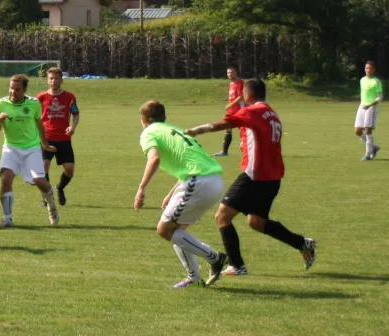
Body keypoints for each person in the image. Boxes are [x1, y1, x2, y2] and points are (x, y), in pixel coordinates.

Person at [185, 79, 315, 275]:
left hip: (255, 176)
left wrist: (196, 130)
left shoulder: (250, 111)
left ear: (246, 95)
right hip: (272, 178)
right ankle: (302, 243)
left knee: (222, 216)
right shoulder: (271, 113)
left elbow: (226, 122)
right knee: (256, 222)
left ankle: (237, 265)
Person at [135, 100, 228, 288]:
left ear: (143, 118)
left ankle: (215, 258)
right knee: (177, 231)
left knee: (164, 230)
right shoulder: (173, 130)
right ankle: (193, 277)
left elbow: (154, 158)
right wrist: (172, 193)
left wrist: (141, 188)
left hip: (199, 181)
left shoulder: (149, 132)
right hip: (213, 180)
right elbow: (189, 161)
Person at [0, 74, 60, 228]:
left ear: (25, 90)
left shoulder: (34, 104)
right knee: (6, 177)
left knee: (39, 181)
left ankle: (52, 207)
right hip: (11, 147)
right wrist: (0, 120)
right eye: (11, 88)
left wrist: (45, 145)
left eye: (17, 89)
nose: (13, 92)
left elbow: (40, 125)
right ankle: (8, 219)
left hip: (31, 148)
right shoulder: (1, 104)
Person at [36, 68, 79, 207]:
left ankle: (60, 188)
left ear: (61, 79)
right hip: (46, 137)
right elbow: (34, 116)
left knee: (69, 169)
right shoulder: (41, 97)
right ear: (47, 80)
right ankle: (47, 197)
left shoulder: (69, 97)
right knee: (44, 167)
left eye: (56, 78)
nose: (53, 81)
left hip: (64, 138)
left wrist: (72, 127)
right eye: (50, 78)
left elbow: (75, 114)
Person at [354, 61, 383, 161]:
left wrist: (370, 105)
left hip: (371, 107)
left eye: (370, 68)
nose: (368, 70)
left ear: (373, 70)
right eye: (366, 68)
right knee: (357, 131)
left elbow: (380, 97)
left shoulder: (376, 82)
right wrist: (364, 105)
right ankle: (373, 147)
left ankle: (367, 154)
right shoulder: (362, 80)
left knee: (367, 130)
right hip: (362, 106)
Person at [214, 66, 244, 157]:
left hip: (238, 110)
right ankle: (224, 151)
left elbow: (241, 96)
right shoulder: (231, 83)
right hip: (231, 111)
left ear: (236, 73)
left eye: (231, 72)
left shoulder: (240, 82)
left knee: (243, 130)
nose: (229, 74)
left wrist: (230, 105)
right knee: (228, 129)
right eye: (228, 73)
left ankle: (249, 149)